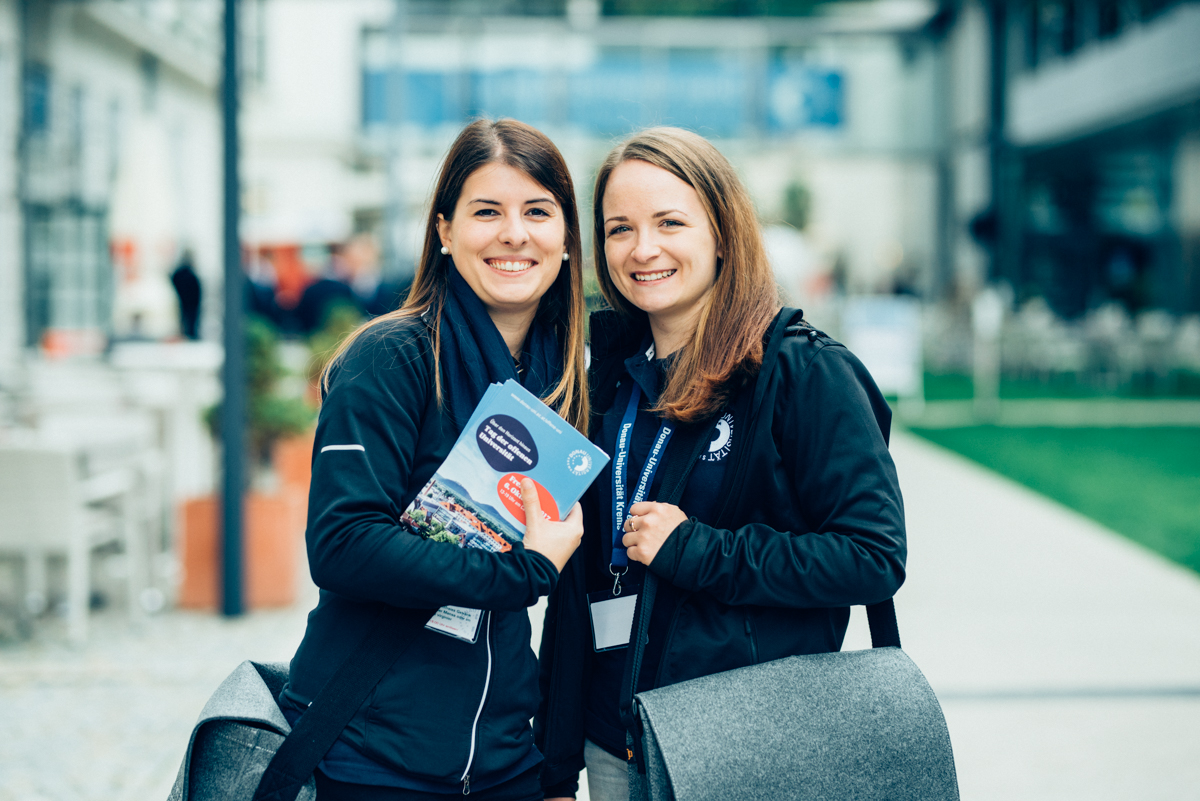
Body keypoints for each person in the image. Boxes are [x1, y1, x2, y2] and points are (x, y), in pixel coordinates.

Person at [535, 127, 907, 801]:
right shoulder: (603, 382)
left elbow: (873, 556)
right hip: (612, 742)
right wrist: (555, 763)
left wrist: (697, 550)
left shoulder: (803, 372)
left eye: (670, 222)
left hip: (742, 745)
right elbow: (577, 590)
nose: (642, 249)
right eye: (619, 229)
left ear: (723, 232)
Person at [279, 118, 590, 801]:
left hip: (506, 764)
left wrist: (555, 768)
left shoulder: (565, 383)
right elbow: (343, 543)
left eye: (538, 211)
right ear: (445, 231)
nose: (515, 233)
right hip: (366, 757)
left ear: (566, 238)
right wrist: (521, 571)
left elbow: (574, 604)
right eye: (487, 211)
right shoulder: (390, 357)